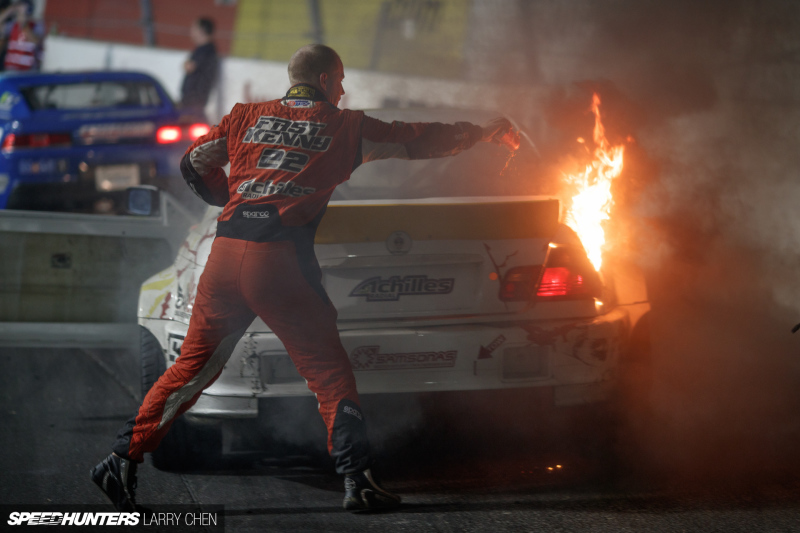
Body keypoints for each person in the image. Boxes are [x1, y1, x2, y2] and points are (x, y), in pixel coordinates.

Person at [91, 44, 518, 512]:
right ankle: (358, 481)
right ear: (326, 80)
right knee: (330, 376)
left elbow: (193, 162)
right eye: (340, 81)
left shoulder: (244, 116)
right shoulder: (346, 125)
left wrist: (227, 197)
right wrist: (480, 134)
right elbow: (418, 139)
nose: (344, 89)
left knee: (189, 370)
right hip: (279, 262)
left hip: (226, 252)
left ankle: (119, 458)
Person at [180, 17, 219, 116]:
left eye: (194, 28)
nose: (191, 31)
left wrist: (186, 64)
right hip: (192, 100)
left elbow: (189, 67)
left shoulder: (207, 50)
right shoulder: (203, 49)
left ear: (201, 30)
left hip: (195, 101)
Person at [0, 0, 43, 72]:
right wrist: (9, 10)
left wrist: (23, 23)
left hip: (27, 71)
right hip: (10, 69)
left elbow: (35, 42)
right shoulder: (13, 25)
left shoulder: (37, 25)